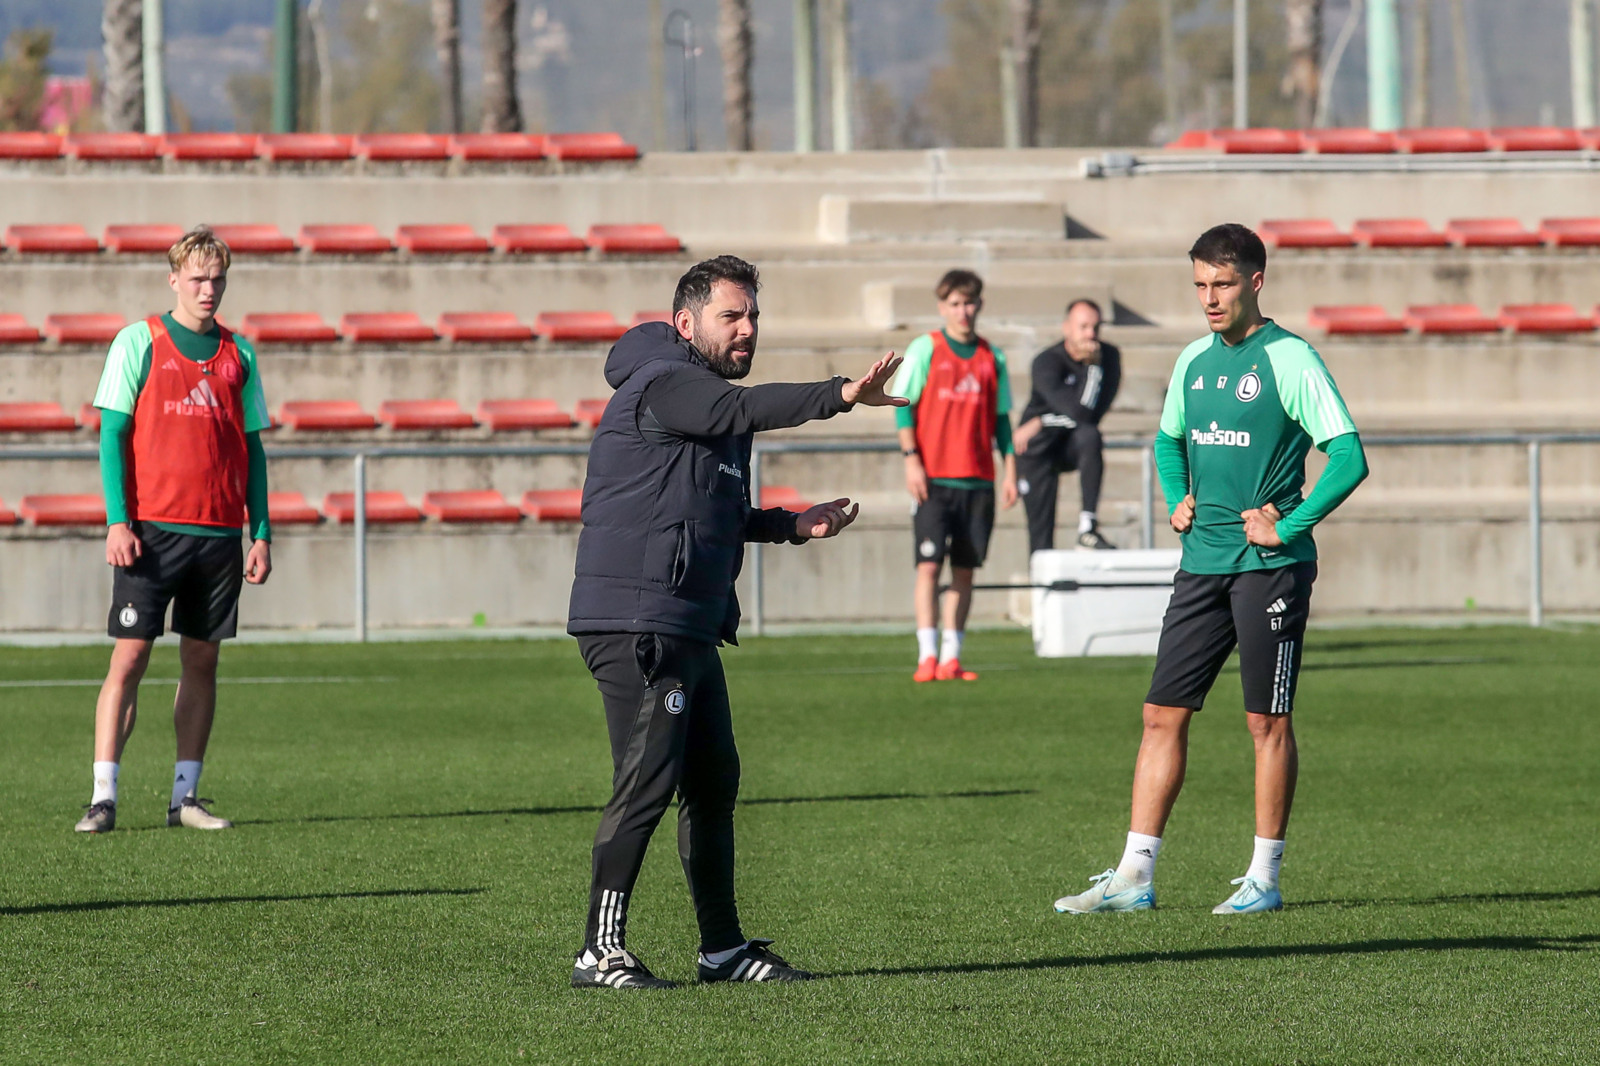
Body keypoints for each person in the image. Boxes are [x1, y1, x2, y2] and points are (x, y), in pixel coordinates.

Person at [565, 255, 906, 989]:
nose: (748, 328)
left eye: (753, 316)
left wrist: (791, 525)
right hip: (637, 619)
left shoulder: (701, 398)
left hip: (685, 619)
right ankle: (599, 951)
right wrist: (843, 393)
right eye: (732, 316)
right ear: (686, 324)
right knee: (648, 781)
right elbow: (739, 410)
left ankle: (721, 949)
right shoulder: (667, 384)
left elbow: (710, 508)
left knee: (715, 781)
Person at [1053, 224, 1368, 916]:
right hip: (1202, 567)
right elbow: (1169, 440)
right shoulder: (1194, 361)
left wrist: (1288, 524)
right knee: (1160, 714)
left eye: (1222, 284)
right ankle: (1135, 875)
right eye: (1199, 285)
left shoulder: (1291, 359)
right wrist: (1178, 497)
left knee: (1266, 724)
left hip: (1269, 570)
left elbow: (1348, 456)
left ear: (1255, 282)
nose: (1209, 298)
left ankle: (1265, 877)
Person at [74, 226, 273, 835]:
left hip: (217, 536)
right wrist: (116, 520)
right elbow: (111, 434)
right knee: (129, 659)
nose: (208, 289)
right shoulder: (139, 341)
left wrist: (259, 531)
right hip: (150, 533)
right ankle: (103, 796)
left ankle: (185, 796)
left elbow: (253, 448)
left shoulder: (240, 354)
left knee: (202, 661)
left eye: (217, 279)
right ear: (174, 279)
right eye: (197, 279)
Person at [890, 269, 1018, 684]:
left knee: (965, 571)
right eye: (955, 304)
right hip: (934, 479)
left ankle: (952, 657)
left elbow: (1001, 421)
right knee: (929, 566)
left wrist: (1009, 469)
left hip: (978, 480)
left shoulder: (991, 357)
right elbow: (903, 404)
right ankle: (927, 655)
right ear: (943, 306)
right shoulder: (926, 347)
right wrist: (912, 459)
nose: (963, 311)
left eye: (969, 303)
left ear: (979, 305)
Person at [1014, 298, 1122, 551]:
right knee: (1040, 535)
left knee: (1090, 435)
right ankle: (1041, 585)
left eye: (1095, 327)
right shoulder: (1046, 362)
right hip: (1037, 450)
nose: (1090, 334)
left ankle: (1087, 528)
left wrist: (1041, 421)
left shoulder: (1108, 358)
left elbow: (1088, 416)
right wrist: (1041, 425)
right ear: (1067, 328)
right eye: (1083, 327)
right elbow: (1076, 411)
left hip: (1070, 443)